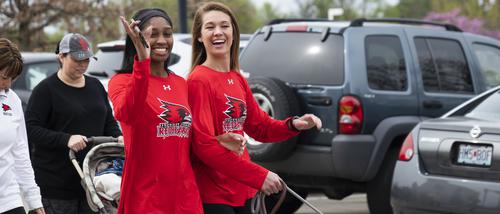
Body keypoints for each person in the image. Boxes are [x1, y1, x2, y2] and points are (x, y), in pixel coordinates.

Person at [187, 2, 323, 214]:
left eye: (224, 25)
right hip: (213, 194)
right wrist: (259, 176)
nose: (218, 32)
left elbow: (259, 127)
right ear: (199, 36)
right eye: (210, 27)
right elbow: (204, 147)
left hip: (242, 191)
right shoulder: (199, 81)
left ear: (233, 32)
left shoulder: (236, 78)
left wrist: (294, 124)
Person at [25, 33, 122, 214]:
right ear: (61, 56)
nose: (83, 65)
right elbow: (31, 129)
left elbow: (108, 120)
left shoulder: (96, 86)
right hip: (57, 187)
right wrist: (66, 139)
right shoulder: (45, 90)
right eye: (77, 60)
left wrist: (118, 137)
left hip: (94, 184)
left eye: (86, 60)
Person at [0, 38, 45, 214]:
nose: (7, 84)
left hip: (8, 199)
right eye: (4, 77)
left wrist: (34, 200)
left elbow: (20, 154)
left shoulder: (12, 100)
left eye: (12, 78)